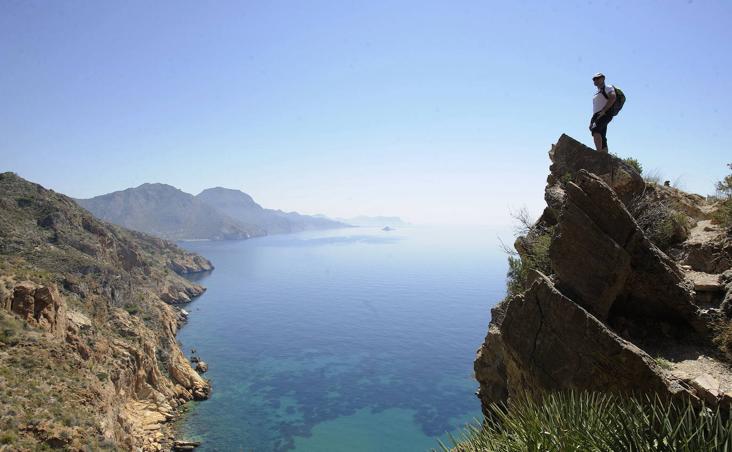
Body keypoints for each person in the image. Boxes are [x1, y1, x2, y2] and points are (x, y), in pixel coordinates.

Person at [589, 72, 616, 152]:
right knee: (601, 134)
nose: (595, 80)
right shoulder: (597, 92)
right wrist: (593, 119)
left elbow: (613, 97)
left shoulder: (607, 87)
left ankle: (599, 153)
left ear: (603, 78)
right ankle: (604, 155)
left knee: (596, 130)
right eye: (594, 79)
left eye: (598, 78)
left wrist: (604, 110)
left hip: (605, 113)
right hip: (597, 114)